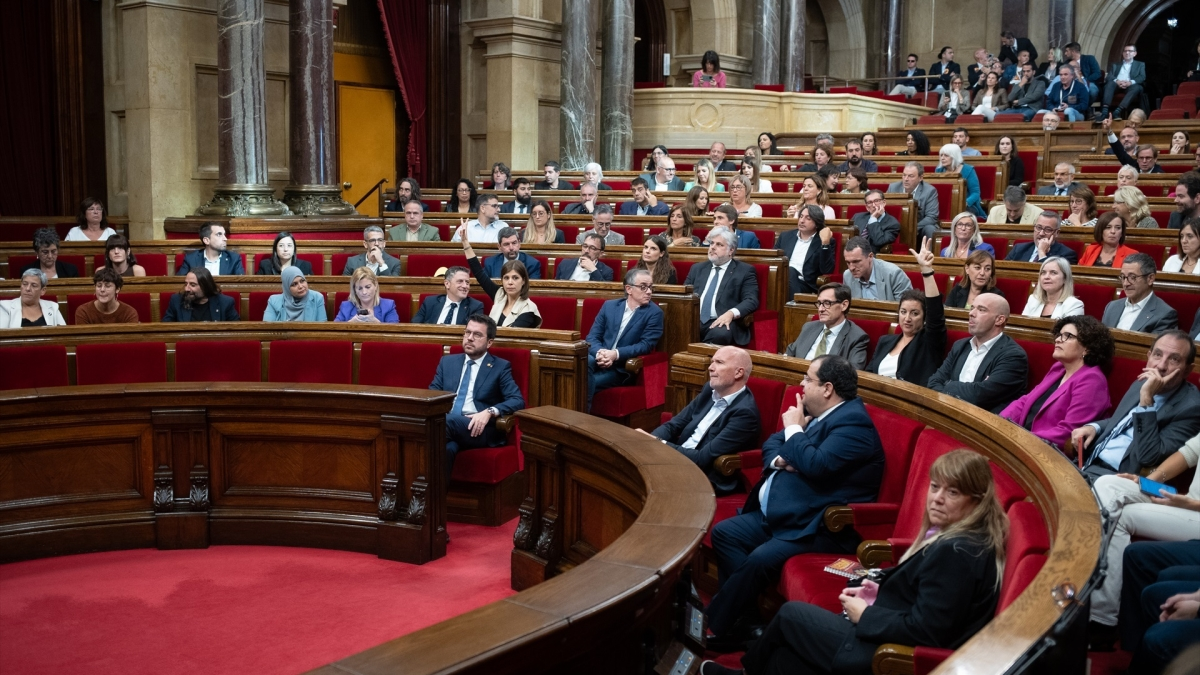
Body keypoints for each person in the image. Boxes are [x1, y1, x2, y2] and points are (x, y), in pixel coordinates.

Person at [701, 449, 1007, 675]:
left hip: (886, 654)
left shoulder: (957, 553)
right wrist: (869, 580)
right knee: (784, 659)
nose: (937, 498)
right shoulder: (957, 537)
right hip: (883, 626)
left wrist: (864, 615)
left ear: (976, 501)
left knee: (791, 615)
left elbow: (927, 632)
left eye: (952, 492)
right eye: (935, 486)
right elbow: (917, 584)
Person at [703, 354, 885, 648]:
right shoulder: (819, 416)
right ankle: (746, 623)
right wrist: (783, 456)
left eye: (807, 379)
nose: (801, 385)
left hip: (817, 526)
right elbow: (773, 444)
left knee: (759, 559)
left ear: (827, 389)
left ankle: (713, 624)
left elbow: (816, 465)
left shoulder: (854, 424)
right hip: (787, 513)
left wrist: (795, 430)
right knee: (725, 533)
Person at [1088, 434, 1200, 653]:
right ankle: (1092, 598)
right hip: (1186, 502)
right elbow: (1190, 452)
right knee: (1109, 484)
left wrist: (1193, 504)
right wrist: (1150, 481)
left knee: (1124, 516)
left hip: (1195, 509)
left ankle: (1100, 618)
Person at [1072, 330, 1200, 480]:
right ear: (1149, 356)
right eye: (1157, 355)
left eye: (1174, 359)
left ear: (1187, 371)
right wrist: (1094, 427)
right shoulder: (1141, 383)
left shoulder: (1191, 408)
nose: (1161, 366)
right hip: (1088, 462)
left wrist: (1146, 400)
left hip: (1116, 477)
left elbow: (1149, 456)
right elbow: (1123, 420)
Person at [647, 346, 759, 494]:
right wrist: (647, 444)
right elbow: (674, 424)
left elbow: (701, 459)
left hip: (703, 477)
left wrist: (659, 444)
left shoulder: (745, 414)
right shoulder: (710, 390)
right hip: (678, 459)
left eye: (719, 362)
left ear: (738, 372)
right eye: (712, 362)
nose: (711, 368)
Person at [429, 314, 526, 477]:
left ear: (489, 342)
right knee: (447, 449)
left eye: (477, 335)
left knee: (442, 423)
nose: (470, 338)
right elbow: (432, 394)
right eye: (467, 333)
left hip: (478, 429)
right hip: (448, 424)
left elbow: (517, 400)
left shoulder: (500, 367)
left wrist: (489, 412)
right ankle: (431, 502)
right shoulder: (448, 362)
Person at [1000, 315, 1113, 449]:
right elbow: (1025, 402)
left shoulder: (1092, 380)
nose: (1059, 340)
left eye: (1068, 336)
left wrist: (1020, 439)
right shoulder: (1058, 369)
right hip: (1022, 441)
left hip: (1047, 452)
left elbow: (1068, 431)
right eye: (1059, 335)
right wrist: (998, 424)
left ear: (1087, 348)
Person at [928, 292, 1028, 414]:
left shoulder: (1013, 356)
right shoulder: (960, 346)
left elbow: (979, 396)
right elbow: (934, 382)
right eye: (972, 308)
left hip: (981, 425)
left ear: (999, 320)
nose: (971, 313)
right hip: (946, 414)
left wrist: (948, 384)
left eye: (981, 310)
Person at [866, 239, 948, 387]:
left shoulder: (929, 342)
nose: (907, 318)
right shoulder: (885, 341)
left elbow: (935, 312)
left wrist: (926, 271)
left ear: (924, 318)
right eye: (903, 312)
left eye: (915, 313)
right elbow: (870, 373)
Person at [585, 268, 665, 409]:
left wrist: (615, 354)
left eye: (650, 287)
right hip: (599, 359)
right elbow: (592, 336)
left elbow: (645, 345)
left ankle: (581, 421)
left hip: (621, 369)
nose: (649, 291)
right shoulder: (610, 306)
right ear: (629, 289)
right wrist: (600, 353)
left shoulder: (654, 313)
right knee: (582, 364)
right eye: (643, 287)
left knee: (584, 383)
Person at [457, 226, 541, 329]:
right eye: (506, 278)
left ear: (523, 281)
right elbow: (479, 273)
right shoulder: (500, 295)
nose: (510, 282)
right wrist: (465, 242)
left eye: (515, 278)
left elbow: (510, 336)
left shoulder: (529, 308)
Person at [685, 229, 758, 347]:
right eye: (712, 243)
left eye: (719, 244)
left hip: (722, 321)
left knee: (721, 334)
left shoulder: (744, 271)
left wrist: (731, 313)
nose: (713, 247)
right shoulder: (697, 268)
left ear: (731, 250)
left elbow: (751, 300)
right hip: (694, 319)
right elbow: (685, 295)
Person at [785, 283, 870, 369]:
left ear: (844, 305)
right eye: (819, 303)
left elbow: (854, 373)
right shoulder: (809, 327)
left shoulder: (857, 337)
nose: (821, 309)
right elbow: (789, 354)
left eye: (827, 303)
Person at [1101, 253, 1180, 334]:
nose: (1125, 284)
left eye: (1133, 277)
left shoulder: (1164, 315)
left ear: (1150, 279)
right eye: (1123, 277)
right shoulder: (1112, 307)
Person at [780, 204, 835, 296]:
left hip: (806, 284)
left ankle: (793, 308)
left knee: (790, 271)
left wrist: (825, 243)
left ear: (817, 223)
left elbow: (827, 270)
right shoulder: (785, 236)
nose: (802, 220)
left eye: (808, 218)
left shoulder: (823, 240)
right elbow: (775, 261)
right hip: (781, 279)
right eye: (801, 216)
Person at [842, 237, 912, 301]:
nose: (851, 268)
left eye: (856, 261)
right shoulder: (847, 276)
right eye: (848, 262)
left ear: (870, 256)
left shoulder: (894, 274)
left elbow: (906, 309)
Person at [412, 266, 485, 325]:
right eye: (460, 281)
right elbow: (414, 327)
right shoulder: (430, 302)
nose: (465, 286)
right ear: (447, 284)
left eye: (467, 282)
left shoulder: (475, 306)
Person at [887, 162, 940, 241]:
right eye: (904, 175)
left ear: (920, 177)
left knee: (930, 229)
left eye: (911, 176)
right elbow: (887, 210)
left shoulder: (929, 191)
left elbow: (931, 217)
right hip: (895, 225)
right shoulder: (893, 187)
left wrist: (912, 229)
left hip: (919, 226)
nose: (906, 179)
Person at [162, 268, 240, 322]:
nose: (187, 289)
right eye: (186, 284)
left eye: (192, 285)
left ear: (206, 287)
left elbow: (236, 331)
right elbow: (166, 330)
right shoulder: (176, 301)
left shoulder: (225, 302)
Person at [0, 269, 68, 328]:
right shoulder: (5, 307)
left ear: (42, 291)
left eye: (34, 285)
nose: (28, 288)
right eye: (25, 284)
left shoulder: (53, 307)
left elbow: (63, 334)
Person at [1005, 212, 1080, 264]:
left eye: (1047, 230)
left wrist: (1041, 253)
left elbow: (1048, 278)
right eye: (1038, 227)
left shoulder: (1067, 255)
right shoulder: (1018, 249)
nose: (1041, 233)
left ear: (1057, 233)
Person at [1096, 45, 1147, 121]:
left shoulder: (1140, 64)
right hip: (1116, 85)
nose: (1127, 53)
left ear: (1135, 53)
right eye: (1125, 51)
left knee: (1137, 87)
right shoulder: (1115, 65)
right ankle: (1104, 111)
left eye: (1130, 51)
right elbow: (1109, 76)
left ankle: (1118, 111)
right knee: (1109, 83)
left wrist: (1130, 82)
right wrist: (1117, 81)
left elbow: (1142, 77)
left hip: (1130, 86)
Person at [935, 143, 985, 219]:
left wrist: (964, 203)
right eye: (941, 155)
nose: (942, 158)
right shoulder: (939, 170)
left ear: (954, 156)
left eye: (946, 155)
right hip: (943, 204)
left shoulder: (968, 170)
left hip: (967, 205)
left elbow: (975, 193)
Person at [333, 267, 399, 324]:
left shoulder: (388, 306)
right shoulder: (346, 307)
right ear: (354, 290)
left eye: (368, 287)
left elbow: (395, 331)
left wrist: (375, 322)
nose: (364, 292)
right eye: (360, 288)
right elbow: (335, 331)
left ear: (375, 285)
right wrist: (351, 323)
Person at [75, 268, 140, 325]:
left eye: (108, 286)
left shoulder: (129, 313)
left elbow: (130, 338)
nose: (102, 290)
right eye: (99, 285)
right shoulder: (83, 312)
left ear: (117, 289)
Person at [176, 222, 244, 276]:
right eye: (219, 234)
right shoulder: (191, 259)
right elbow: (179, 283)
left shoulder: (234, 258)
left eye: (224, 234)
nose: (225, 238)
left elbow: (241, 285)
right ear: (206, 240)